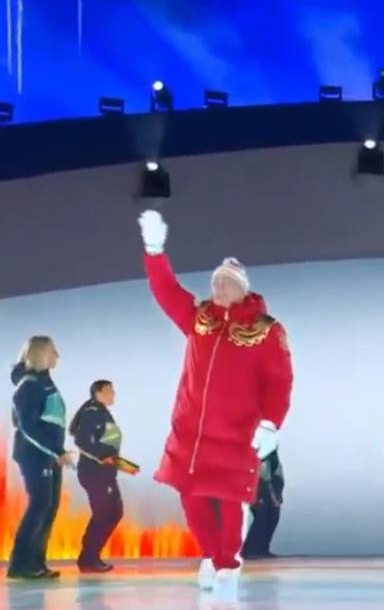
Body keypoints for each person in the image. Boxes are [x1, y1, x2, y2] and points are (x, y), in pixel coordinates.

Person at [138, 210, 293, 602]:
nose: (218, 287)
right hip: (191, 431)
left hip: (238, 432)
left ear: (242, 289)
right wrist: (154, 251)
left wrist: (271, 423)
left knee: (229, 502)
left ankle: (227, 565)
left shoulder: (266, 330)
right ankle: (212, 555)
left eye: (226, 282)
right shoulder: (199, 319)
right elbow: (166, 291)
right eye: (215, 282)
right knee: (191, 499)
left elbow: (279, 381)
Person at [8, 336, 76, 580]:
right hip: (34, 454)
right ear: (40, 354)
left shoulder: (45, 383)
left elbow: (50, 423)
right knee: (40, 504)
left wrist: (57, 451)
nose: (57, 356)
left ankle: (36, 562)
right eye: (52, 351)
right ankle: (20, 564)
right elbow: (28, 427)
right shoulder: (29, 386)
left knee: (49, 505)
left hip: (49, 455)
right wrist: (57, 451)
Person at [70, 379, 133, 573]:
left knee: (113, 512)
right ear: (98, 393)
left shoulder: (101, 412)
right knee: (104, 514)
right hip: (95, 474)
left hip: (104, 473)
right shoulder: (92, 413)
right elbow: (83, 442)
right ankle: (88, 558)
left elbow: (107, 447)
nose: (113, 394)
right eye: (109, 390)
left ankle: (91, 555)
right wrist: (105, 459)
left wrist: (124, 466)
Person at [241, 449, 284, 561]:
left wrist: (277, 494)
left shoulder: (273, 457)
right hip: (260, 490)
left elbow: (278, 476)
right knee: (261, 521)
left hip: (273, 489)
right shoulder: (257, 455)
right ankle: (249, 550)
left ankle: (262, 549)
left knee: (272, 519)